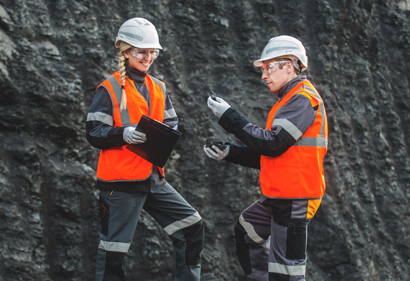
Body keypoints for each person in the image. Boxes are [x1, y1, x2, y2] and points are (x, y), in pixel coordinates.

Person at [86, 17, 204, 281]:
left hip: (153, 179)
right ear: (126, 51)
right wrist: (123, 134)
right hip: (120, 184)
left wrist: (163, 133)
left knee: (191, 227)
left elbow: (171, 123)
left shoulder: (158, 87)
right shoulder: (109, 88)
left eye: (152, 51)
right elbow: (93, 132)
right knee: (113, 252)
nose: (148, 56)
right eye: (142, 51)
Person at [204, 35, 328, 281]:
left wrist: (229, 116)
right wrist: (230, 151)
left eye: (268, 67)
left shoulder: (303, 99)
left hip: (296, 197)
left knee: (288, 271)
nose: (263, 75)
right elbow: (272, 153)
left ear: (289, 66)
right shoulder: (288, 101)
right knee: (247, 232)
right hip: (280, 194)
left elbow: (272, 144)